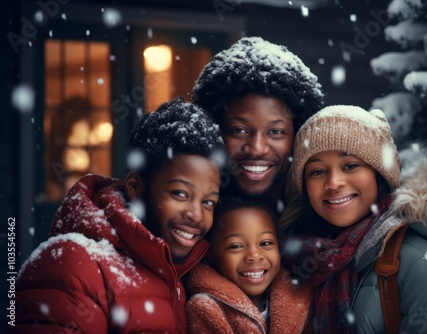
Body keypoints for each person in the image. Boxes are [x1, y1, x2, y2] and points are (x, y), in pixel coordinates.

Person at [10, 98, 225, 333]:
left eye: (208, 202)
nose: (196, 214)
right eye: (180, 194)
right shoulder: (74, 265)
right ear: (135, 186)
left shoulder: (184, 281)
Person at [288, 105, 427, 333]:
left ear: (380, 175)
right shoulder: (305, 263)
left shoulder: (423, 264)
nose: (333, 182)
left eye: (350, 166)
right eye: (317, 171)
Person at [192, 36, 325, 235]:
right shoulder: (186, 214)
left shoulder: (323, 214)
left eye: (275, 132)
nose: (256, 148)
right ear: (213, 129)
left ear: (298, 135)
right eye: (239, 130)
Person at [185, 196, 312, 334]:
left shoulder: (300, 299)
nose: (254, 255)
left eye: (265, 243)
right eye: (236, 246)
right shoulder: (205, 309)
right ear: (209, 255)